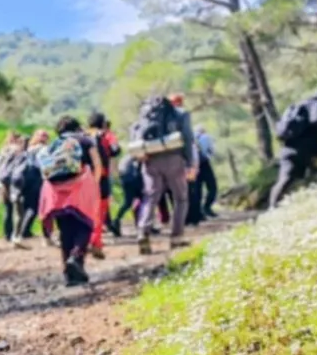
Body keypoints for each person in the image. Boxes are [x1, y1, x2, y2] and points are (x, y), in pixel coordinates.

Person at [38, 117, 103, 286]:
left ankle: (69, 275)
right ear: (77, 127)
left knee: (65, 231)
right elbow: (98, 165)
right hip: (80, 188)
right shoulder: (85, 140)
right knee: (85, 225)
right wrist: (94, 184)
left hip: (56, 192)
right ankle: (76, 257)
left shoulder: (54, 144)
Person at [129, 93, 196, 254]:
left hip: (150, 159)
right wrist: (190, 163)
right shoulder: (181, 114)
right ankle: (176, 237)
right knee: (180, 198)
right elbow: (188, 138)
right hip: (174, 159)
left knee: (150, 197)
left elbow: (134, 133)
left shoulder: (145, 115)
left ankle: (143, 232)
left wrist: (139, 157)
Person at [269, 90, 317, 208]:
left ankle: (272, 207)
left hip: (288, 150)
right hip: (311, 150)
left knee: (285, 179)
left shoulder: (297, 107)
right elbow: (316, 119)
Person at [86, 113, 121, 254]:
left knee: (86, 210)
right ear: (103, 123)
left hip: (83, 179)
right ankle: (95, 241)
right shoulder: (104, 136)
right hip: (101, 178)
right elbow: (115, 150)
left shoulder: (82, 135)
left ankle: (84, 239)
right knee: (99, 210)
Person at [0, 131, 28, 247]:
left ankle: (7, 234)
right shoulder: (20, 151)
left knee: (7, 209)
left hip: (3, 182)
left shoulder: (3, 151)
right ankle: (16, 236)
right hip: (16, 182)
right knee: (18, 211)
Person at [195, 126, 219, 218]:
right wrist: (208, 155)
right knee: (212, 187)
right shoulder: (206, 137)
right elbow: (212, 150)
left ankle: (198, 211)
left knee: (197, 189)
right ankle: (206, 207)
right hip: (204, 163)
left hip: (193, 165)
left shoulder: (192, 137)